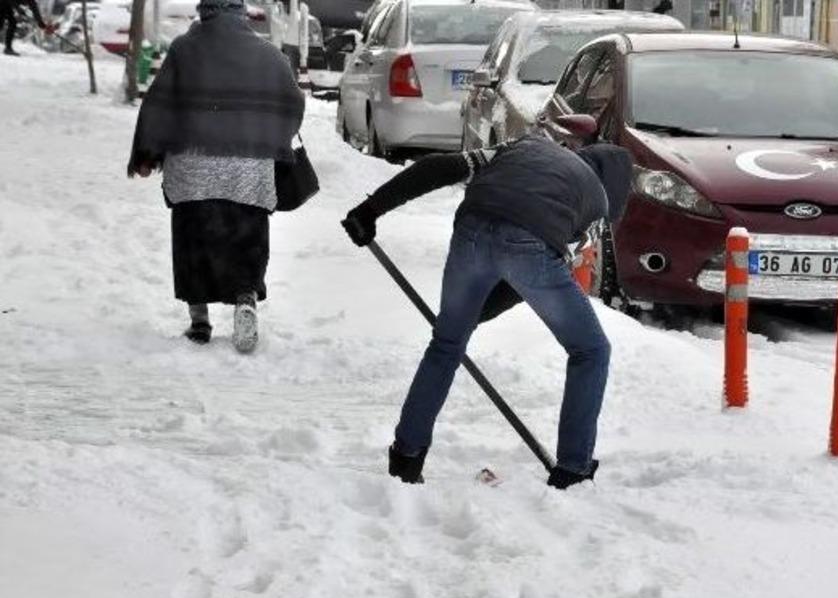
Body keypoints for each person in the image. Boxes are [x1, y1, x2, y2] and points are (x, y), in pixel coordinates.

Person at [342, 135, 632, 489]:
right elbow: (527, 276)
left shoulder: (525, 145)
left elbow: (439, 167)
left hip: (472, 229)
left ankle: (406, 459)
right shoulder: (597, 201)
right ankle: (573, 470)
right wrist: (479, 311)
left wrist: (371, 210)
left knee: (446, 345)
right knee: (591, 351)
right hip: (529, 244)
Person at [127, 0, 304, 353]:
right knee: (247, 239)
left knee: (194, 240)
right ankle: (245, 301)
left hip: (194, 168)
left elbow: (160, 104)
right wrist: (271, 138)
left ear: (204, 13)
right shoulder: (268, 54)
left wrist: (146, 156)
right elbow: (293, 102)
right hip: (249, 169)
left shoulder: (185, 49)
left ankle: (199, 321)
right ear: (240, 15)